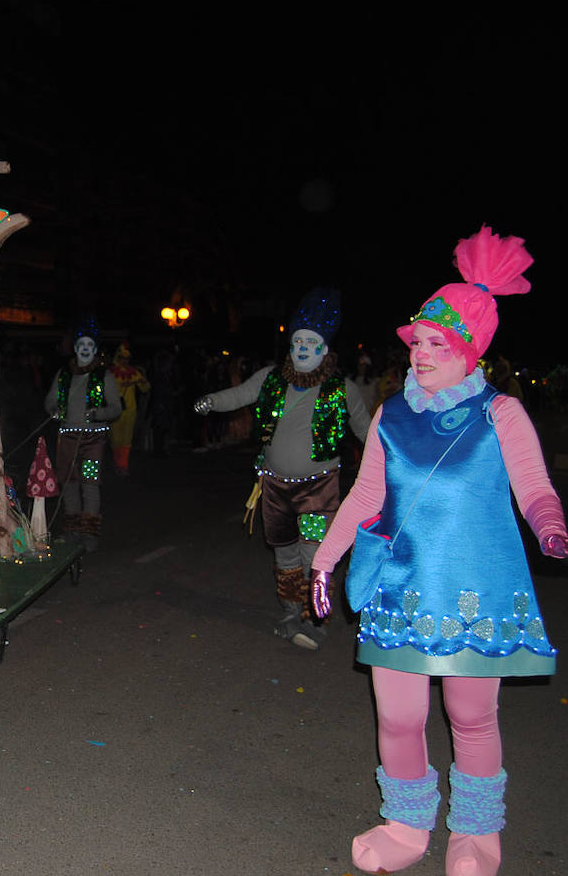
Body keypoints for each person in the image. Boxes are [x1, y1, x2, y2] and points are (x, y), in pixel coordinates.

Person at [312, 227, 562, 876]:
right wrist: (325, 557)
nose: (419, 353)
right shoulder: (393, 416)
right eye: (416, 342)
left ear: (471, 350)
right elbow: (367, 494)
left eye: (435, 343)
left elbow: (533, 486)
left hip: (475, 590)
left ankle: (477, 834)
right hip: (402, 589)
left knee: (470, 717)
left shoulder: (500, 414)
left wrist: (550, 524)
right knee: (398, 720)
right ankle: (406, 823)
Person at [193, 288, 370, 650]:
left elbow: (367, 429)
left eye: (311, 342)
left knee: (313, 554)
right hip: (275, 486)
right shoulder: (271, 379)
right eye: (297, 341)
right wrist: (211, 401)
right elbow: (240, 394)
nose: (303, 348)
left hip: (318, 489)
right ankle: (291, 611)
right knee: (284, 551)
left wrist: (397, 451)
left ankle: (315, 619)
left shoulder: (341, 388)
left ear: (324, 350)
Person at [43, 320, 122, 548]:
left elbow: (116, 408)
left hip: (93, 440)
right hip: (67, 438)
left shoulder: (103, 376)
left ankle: (89, 534)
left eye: (90, 344)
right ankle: (72, 531)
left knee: (90, 483)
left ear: (95, 349)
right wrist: (53, 410)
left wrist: (98, 414)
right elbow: (49, 400)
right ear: (75, 348)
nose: (85, 348)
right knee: (68, 483)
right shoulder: (64, 375)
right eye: (81, 344)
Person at [108, 342, 150, 476]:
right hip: (115, 410)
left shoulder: (134, 372)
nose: (125, 361)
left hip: (130, 410)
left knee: (127, 439)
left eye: (127, 358)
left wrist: (143, 382)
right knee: (116, 438)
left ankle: (123, 465)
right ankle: (118, 464)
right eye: (122, 358)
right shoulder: (110, 373)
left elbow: (145, 388)